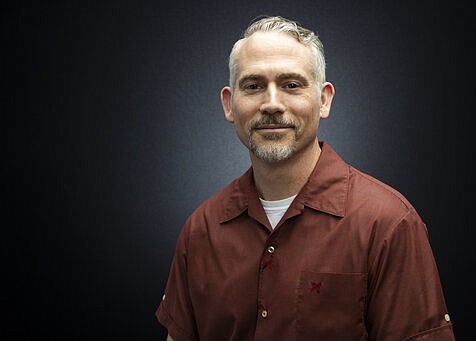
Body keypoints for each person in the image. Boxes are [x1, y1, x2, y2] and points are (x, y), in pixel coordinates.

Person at [156, 16, 455, 340]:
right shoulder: (200, 231)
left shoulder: (388, 224)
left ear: (323, 99)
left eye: (291, 85)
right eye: (254, 86)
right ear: (229, 104)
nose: (271, 104)